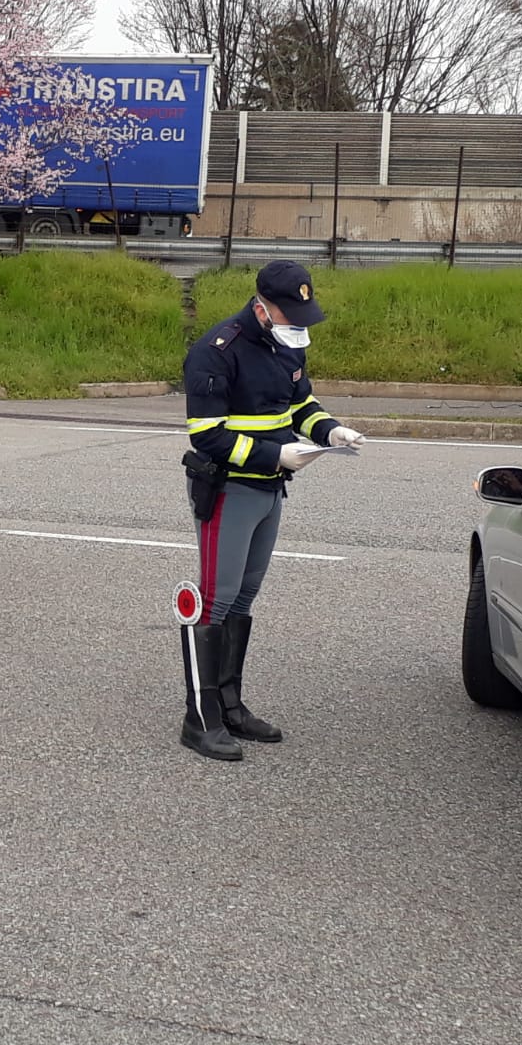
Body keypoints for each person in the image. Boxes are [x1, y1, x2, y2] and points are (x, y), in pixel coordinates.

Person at [177, 260, 365, 762]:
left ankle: (232, 705)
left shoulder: (287, 342)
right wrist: (274, 454)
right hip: (230, 488)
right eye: (291, 312)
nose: (299, 322)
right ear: (263, 306)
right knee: (216, 598)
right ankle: (202, 717)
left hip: (271, 488)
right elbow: (208, 435)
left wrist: (331, 432)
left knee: (245, 596)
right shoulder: (217, 351)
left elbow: (301, 404)